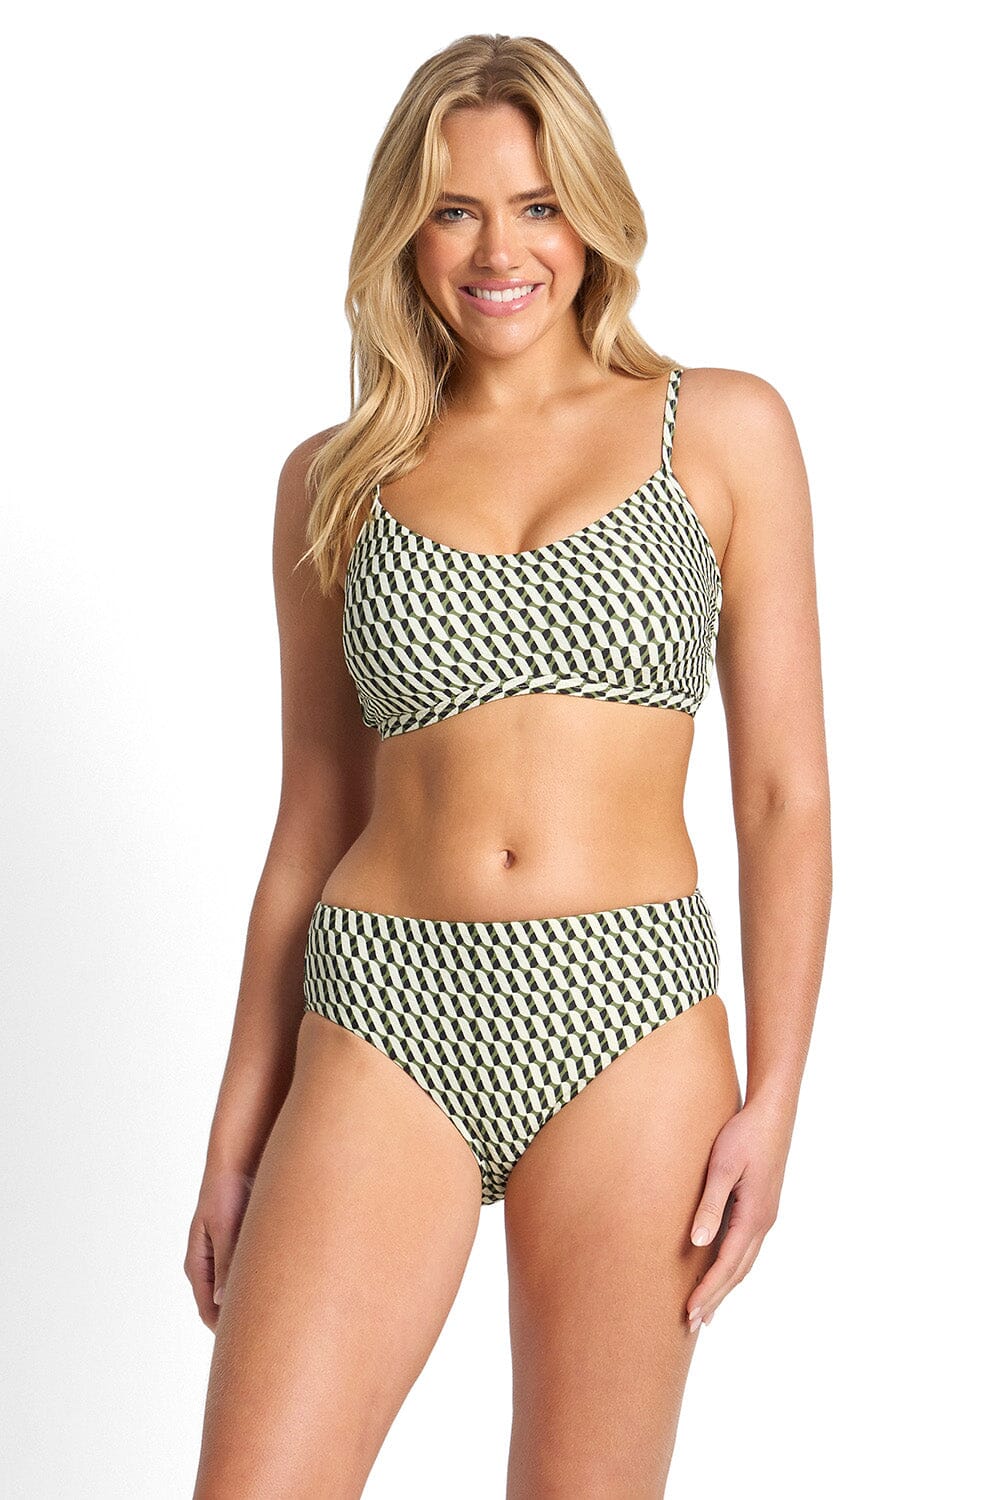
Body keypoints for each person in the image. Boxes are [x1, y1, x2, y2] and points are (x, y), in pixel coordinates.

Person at [186, 32, 831, 1499]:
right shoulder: (335, 480)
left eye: (538, 205)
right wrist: (234, 1133)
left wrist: (778, 1096)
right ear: (403, 233)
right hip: (383, 1002)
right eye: (454, 209)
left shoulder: (722, 430)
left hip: (634, 1012)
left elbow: (784, 796)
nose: (500, 251)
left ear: (591, 215)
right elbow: (313, 817)